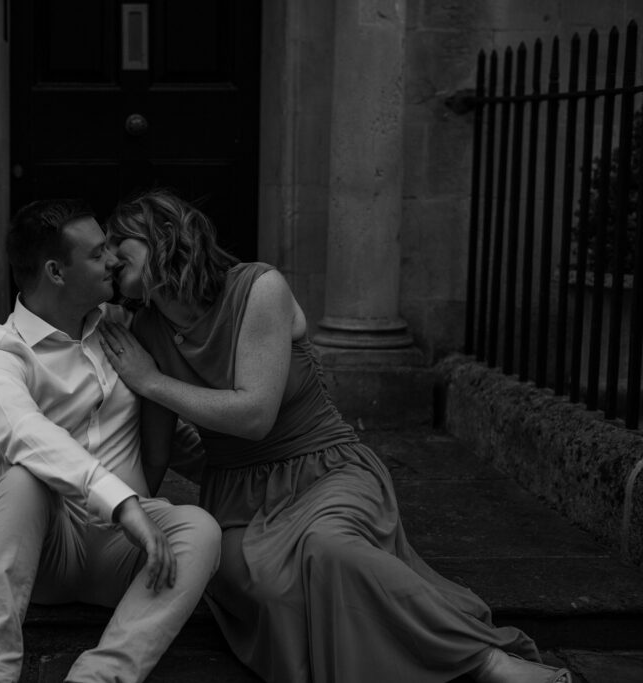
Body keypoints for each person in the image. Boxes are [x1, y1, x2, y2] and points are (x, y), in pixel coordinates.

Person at [98, 189, 573, 683]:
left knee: (330, 550)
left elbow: (254, 414)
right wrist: (129, 529)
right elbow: (153, 454)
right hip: (236, 497)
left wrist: (150, 380)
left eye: (118, 240)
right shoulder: (147, 331)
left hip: (322, 470)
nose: (108, 256)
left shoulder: (259, 288)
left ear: (164, 236)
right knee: (266, 588)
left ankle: (484, 662)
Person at [0, 198, 222, 683]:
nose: (114, 261)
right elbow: (23, 431)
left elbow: (167, 430)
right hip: (53, 546)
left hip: (126, 552)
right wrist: (123, 504)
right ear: (56, 271)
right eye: (98, 254)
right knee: (21, 479)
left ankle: (100, 676)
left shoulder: (122, 328)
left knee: (201, 528)